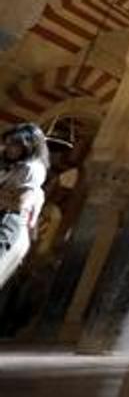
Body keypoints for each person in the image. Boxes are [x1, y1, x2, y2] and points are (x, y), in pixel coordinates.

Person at [0, 123, 49, 290]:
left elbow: (19, 203)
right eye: (8, 142)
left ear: (29, 146)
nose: (9, 147)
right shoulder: (10, 163)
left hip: (7, 222)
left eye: (15, 144)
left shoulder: (32, 168)